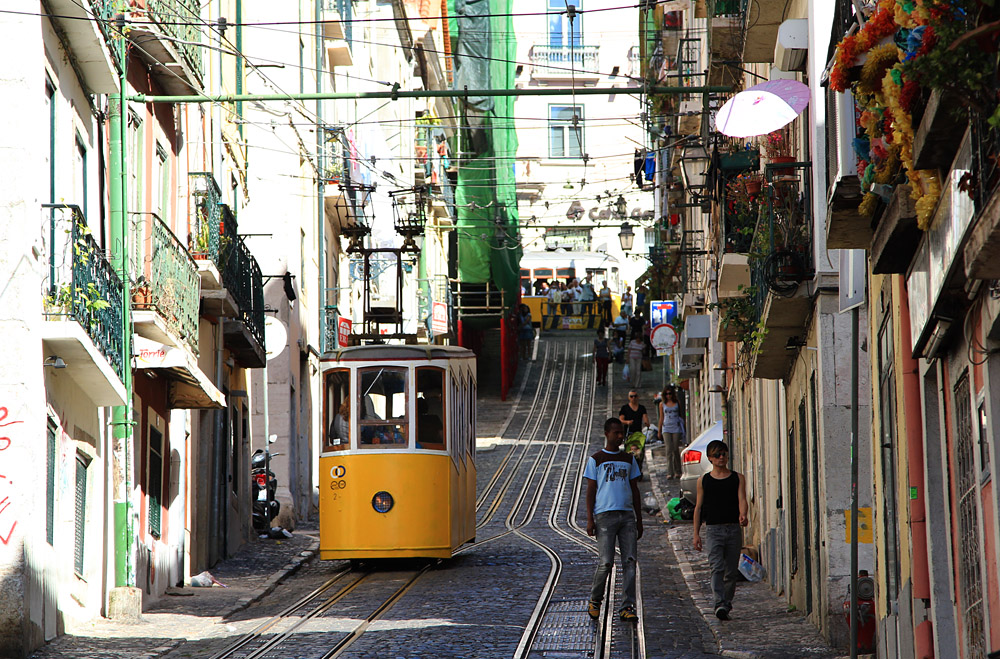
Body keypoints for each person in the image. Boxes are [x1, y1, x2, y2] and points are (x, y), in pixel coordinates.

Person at [585, 417, 643, 622]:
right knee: (606, 562)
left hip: (627, 516)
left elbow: (635, 490)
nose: (620, 436)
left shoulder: (629, 459)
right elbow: (591, 490)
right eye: (616, 433)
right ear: (606, 434)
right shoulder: (596, 459)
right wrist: (590, 519)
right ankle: (595, 600)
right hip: (604, 516)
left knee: (630, 561)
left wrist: (639, 519)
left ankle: (627, 606)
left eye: (622, 433)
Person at [693, 439, 749, 621]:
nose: (721, 457)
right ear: (710, 458)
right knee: (716, 567)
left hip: (733, 529)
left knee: (731, 571)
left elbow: (742, 499)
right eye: (717, 455)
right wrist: (696, 534)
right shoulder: (704, 481)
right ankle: (719, 603)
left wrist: (743, 514)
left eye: (724, 453)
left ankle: (726, 603)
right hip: (713, 530)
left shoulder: (737, 478)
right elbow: (698, 508)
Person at [656, 388, 684, 477]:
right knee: (668, 449)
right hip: (666, 428)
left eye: (670, 393)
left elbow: (681, 415)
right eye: (667, 394)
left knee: (675, 449)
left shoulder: (677, 403)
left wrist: (683, 427)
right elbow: (661, 417)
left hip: (676, 427)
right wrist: (659, 431)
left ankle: (678, 471)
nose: (668, 396)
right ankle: (669, 472)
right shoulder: (662, 404)